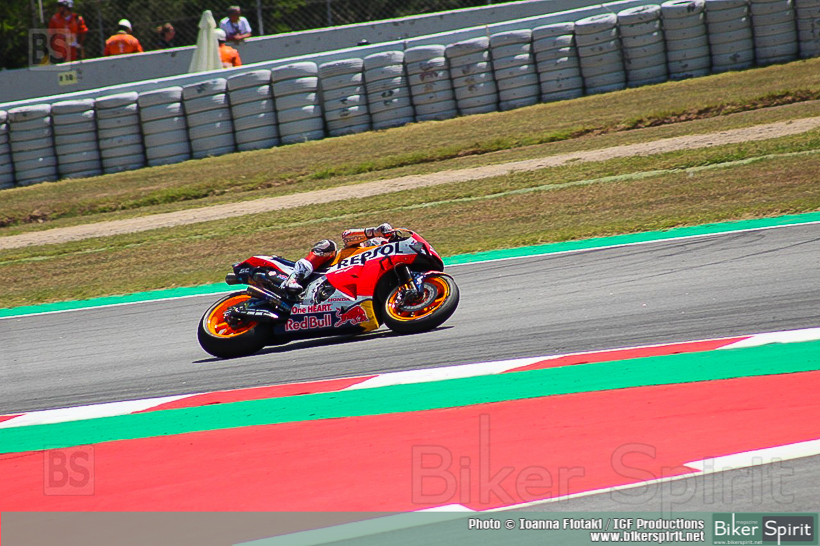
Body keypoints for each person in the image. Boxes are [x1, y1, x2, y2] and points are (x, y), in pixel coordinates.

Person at [283, 223, 394, 294]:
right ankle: (294, 278)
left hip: (346, 287)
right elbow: (346, 235)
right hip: (326, 271)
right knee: (328, 245)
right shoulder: (359, 246)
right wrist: (375, 232)